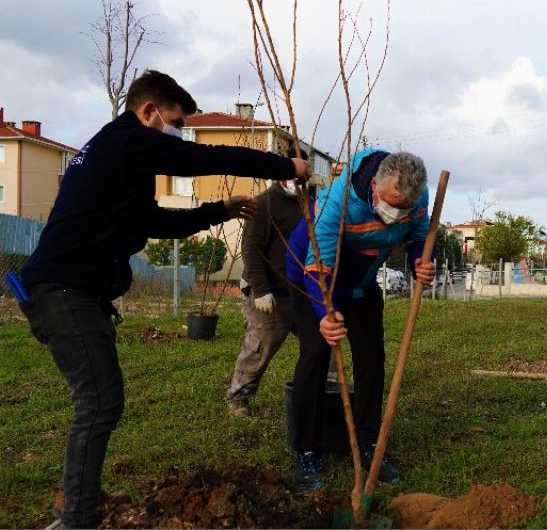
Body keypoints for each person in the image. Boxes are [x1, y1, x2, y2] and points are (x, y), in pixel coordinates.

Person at [18, 69, 309, 529]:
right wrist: (283, 166)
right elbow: (202, 156)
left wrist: (221, 210)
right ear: (149, 111)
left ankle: (81, 498)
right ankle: (78, 515)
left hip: (74, 291)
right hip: (62, 291)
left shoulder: (120, 159)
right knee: (99, 401)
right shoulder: (124, 140)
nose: (177, 133)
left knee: (98, 401)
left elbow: (155, 222)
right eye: (175, 122)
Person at [284, 149, 435, 490]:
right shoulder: (338, 199)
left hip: (362, 281)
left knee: (371, 357)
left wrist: (421, 260)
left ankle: (369, 444)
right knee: (317, 353)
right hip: (313, 275)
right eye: (391, 205)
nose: (396, 215)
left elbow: (419, 236)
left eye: (404, 208)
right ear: (376, 187)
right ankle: (307, 451)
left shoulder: (417, 195)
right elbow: (317, 260)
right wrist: (326, 313)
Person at [225, 151, 309, 417]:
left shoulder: (310, 203)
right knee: (261, 344)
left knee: (321, 344)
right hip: (270, 292)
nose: (297, 180)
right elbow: (250, 249)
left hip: (304, 291)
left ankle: (322, 390)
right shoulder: (263, 204)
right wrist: (261, 291)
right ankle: (239, 398)